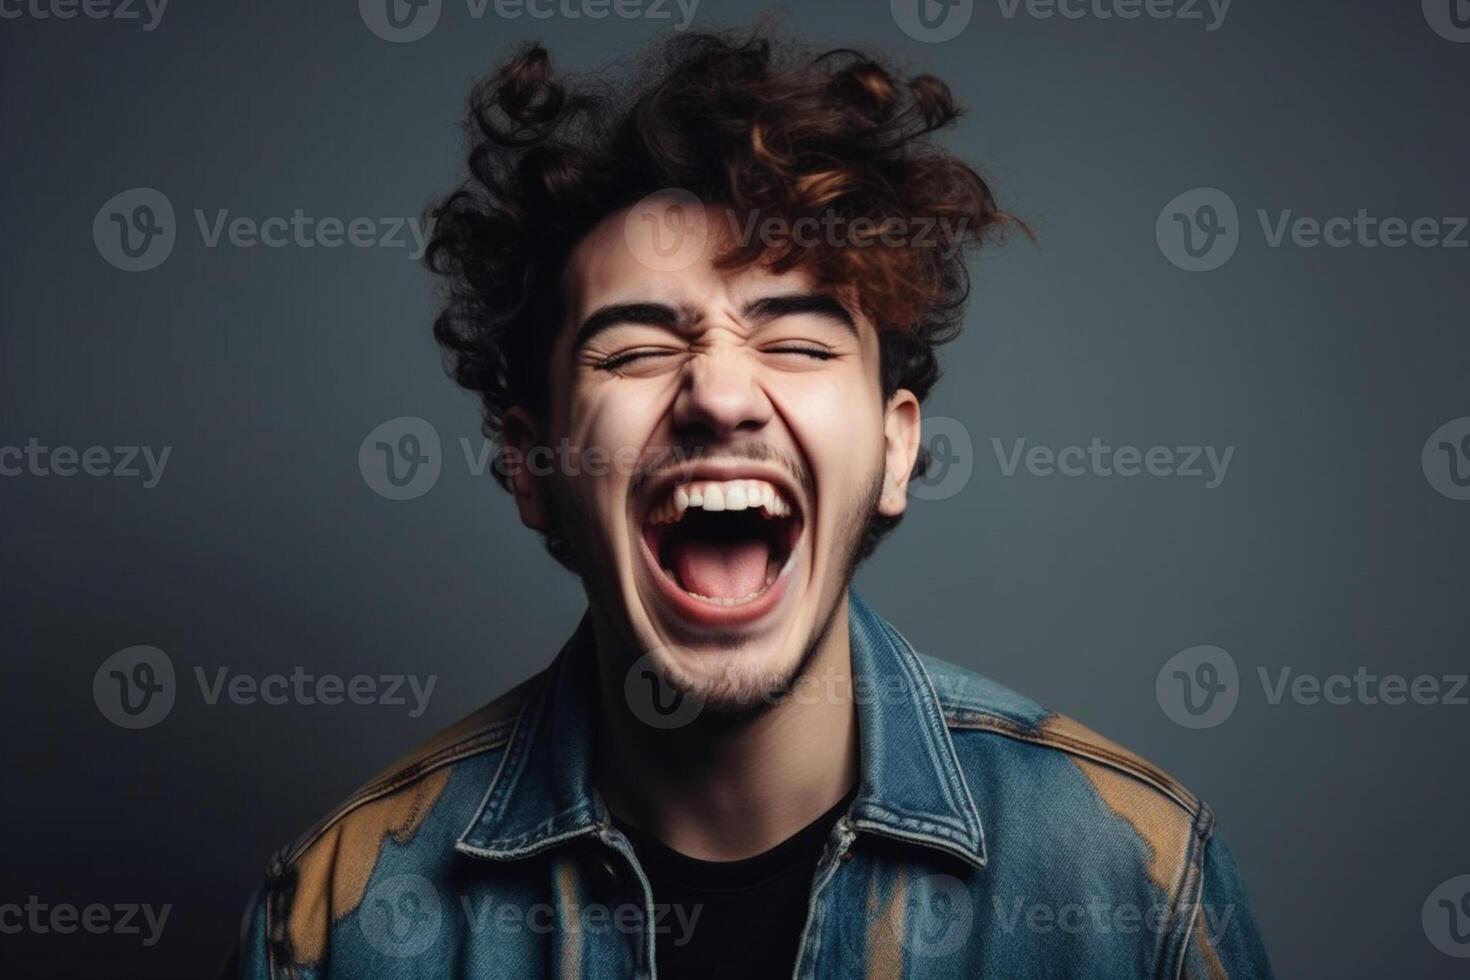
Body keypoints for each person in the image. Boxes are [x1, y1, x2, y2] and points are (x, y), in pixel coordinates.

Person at [225, 28, 1274, 979]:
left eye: (800, 342)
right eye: (635, 348)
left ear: (895, 449)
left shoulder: (1130, 879)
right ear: (532, 467)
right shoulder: (340, 923)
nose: (721, 395)